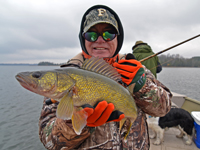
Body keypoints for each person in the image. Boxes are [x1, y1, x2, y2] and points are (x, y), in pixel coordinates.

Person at [39, 5, 172, 150]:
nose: (101, 40)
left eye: (109, 34)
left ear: (118, 39)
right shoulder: (65, 78)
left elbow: (163, 110)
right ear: (83, 40)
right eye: (92, 35)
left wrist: (142, 85)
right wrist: (78, 122)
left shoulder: (135, 69)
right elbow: (50, 142)